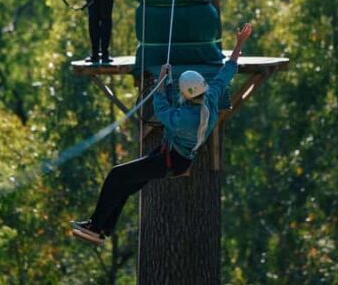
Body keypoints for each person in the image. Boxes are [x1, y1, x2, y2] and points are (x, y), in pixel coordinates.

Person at [70, 22, 254, 245]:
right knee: (127, 183)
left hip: (170, 160)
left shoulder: (184, 119)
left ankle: (95, 226)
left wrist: (160, 82)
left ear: (185, 93)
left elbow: (162, 110)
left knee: (116, 175)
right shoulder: (212, 97)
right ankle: (103, 229)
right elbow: (228, 70)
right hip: (175, 157)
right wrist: (239, 44)